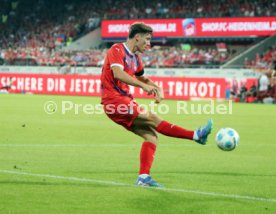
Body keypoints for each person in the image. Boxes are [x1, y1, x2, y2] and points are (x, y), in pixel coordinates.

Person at [100, 22, 213, 187]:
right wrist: (143, 87)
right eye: (147, 39)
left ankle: (143, 178)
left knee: (151, 136)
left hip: (124, 101)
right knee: (152, 117)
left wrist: (156, 87)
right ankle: (196, 135)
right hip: (114, 100)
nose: (149, 43)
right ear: (137, 37)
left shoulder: (136, 59)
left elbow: (142, 77)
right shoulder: (117, 50)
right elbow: (118, 73)